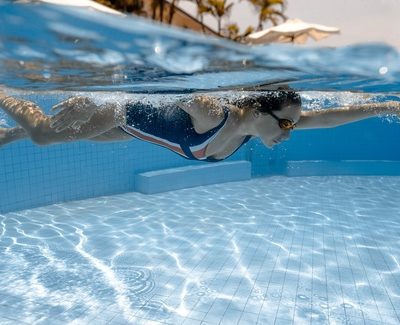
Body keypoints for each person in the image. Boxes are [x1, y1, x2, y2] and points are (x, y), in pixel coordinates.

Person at [0, 90, 399, 161]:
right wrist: (93, 101)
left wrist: (389, 105)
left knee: (75, 138)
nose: (290, 131)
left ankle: (8, 132)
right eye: (287, 124)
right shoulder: (216, 115)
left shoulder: (256, 126)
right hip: (124, 114)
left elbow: (330, 119)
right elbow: (164, 87)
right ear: (260, 113)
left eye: (293, 125)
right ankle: (5, 95)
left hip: (133, 132)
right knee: (44, 136)